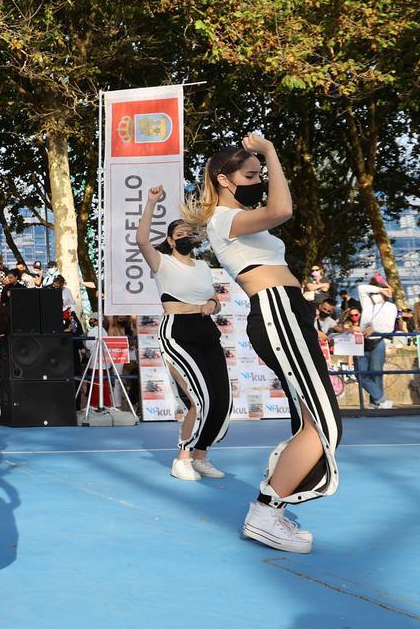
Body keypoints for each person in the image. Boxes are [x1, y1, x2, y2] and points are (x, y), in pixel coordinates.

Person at [183, 133, 342, 555]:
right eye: (252, 174)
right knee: (323, 424)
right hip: (276, 311)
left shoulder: (239, 216)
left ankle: (272, 509)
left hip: (290, 311)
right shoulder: (223, 220)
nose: (259, 179)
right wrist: (271, 149)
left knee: (312, 422)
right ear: (224, 179)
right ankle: (265, 513)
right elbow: (283, 209)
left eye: (261, 173)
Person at [137, 187, 231, 481]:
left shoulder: (203, 266)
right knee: (199, 398)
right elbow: (141, 240)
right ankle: (183, 458)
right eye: (180, 231)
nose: (187, 234)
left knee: (222, 399)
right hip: (178, 331)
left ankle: (201, 456)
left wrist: (212, 304)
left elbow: (214, 301)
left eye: (190, 231)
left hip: (207, 332)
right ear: (170, 239)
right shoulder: (162, 262)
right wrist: (152, 201)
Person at [354, 276, 398, 409]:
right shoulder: (367, 304)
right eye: (372, 293)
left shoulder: (390, 307)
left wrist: (375, 329)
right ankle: (381, 399)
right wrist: (379, 289)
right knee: (360, 374)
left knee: (376, 373)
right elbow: (361, 288)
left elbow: (389, 328)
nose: (374, 295)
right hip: (361, 342)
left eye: (376, 293)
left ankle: (375, 402)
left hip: (377, 342)